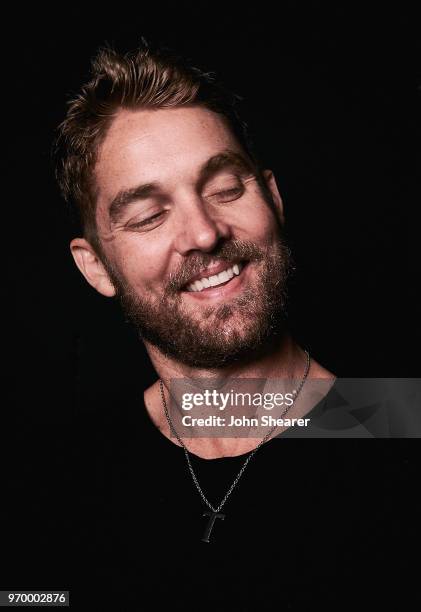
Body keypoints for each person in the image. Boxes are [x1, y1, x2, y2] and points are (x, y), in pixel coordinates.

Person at [52, 41, 406, 609]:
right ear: (96, 267)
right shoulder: (63, 483)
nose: (203, 232)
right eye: (148, 216)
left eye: (224, 189)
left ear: (272, 196)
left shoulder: (397, 435)